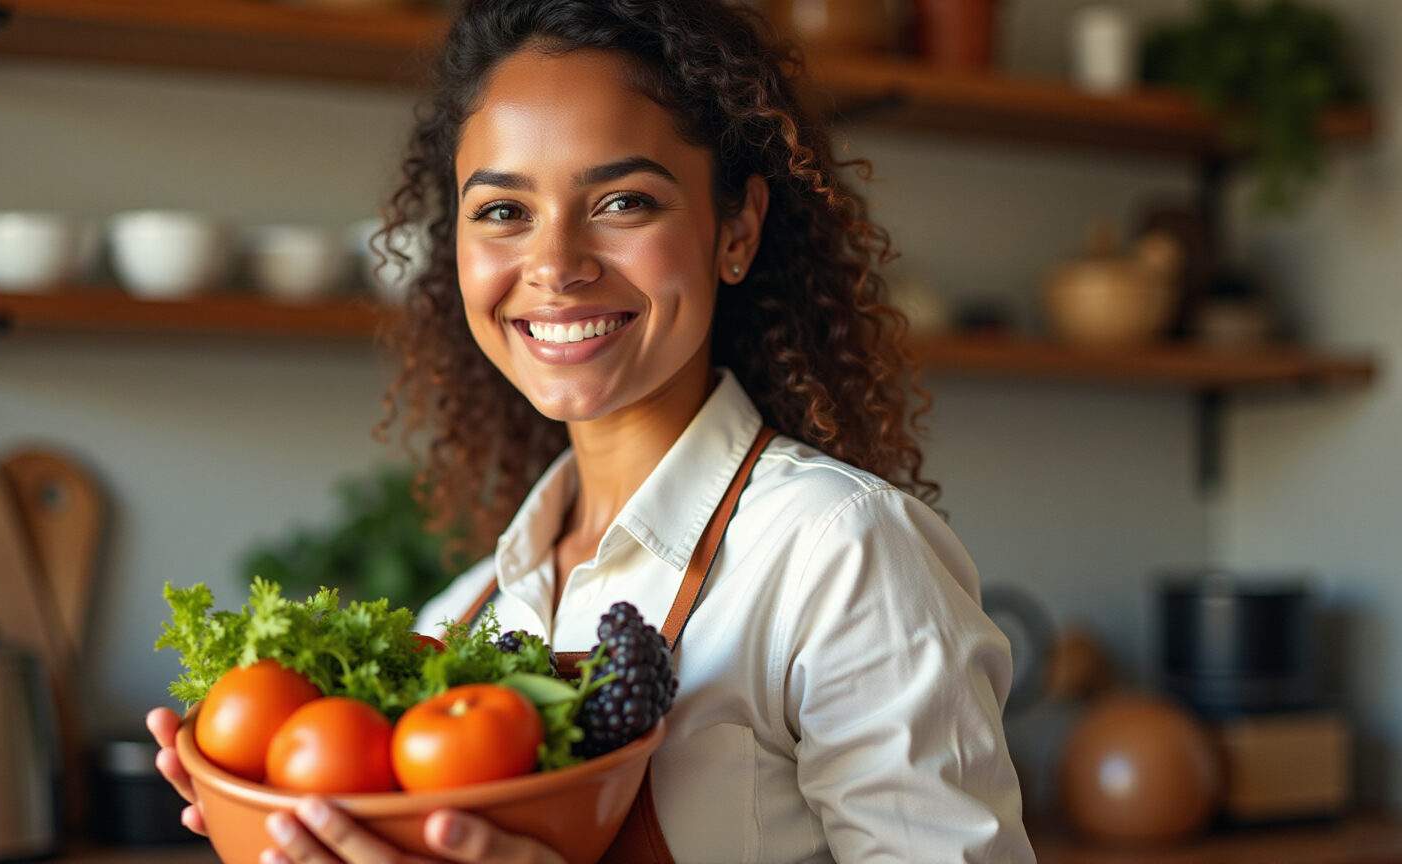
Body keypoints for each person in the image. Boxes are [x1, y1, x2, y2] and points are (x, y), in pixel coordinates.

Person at [146, 0, 1035, 861]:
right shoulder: (463, 620)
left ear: (737, 229)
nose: (556, 266)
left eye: (623, 203)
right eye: (503, 211)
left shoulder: (838, 555)